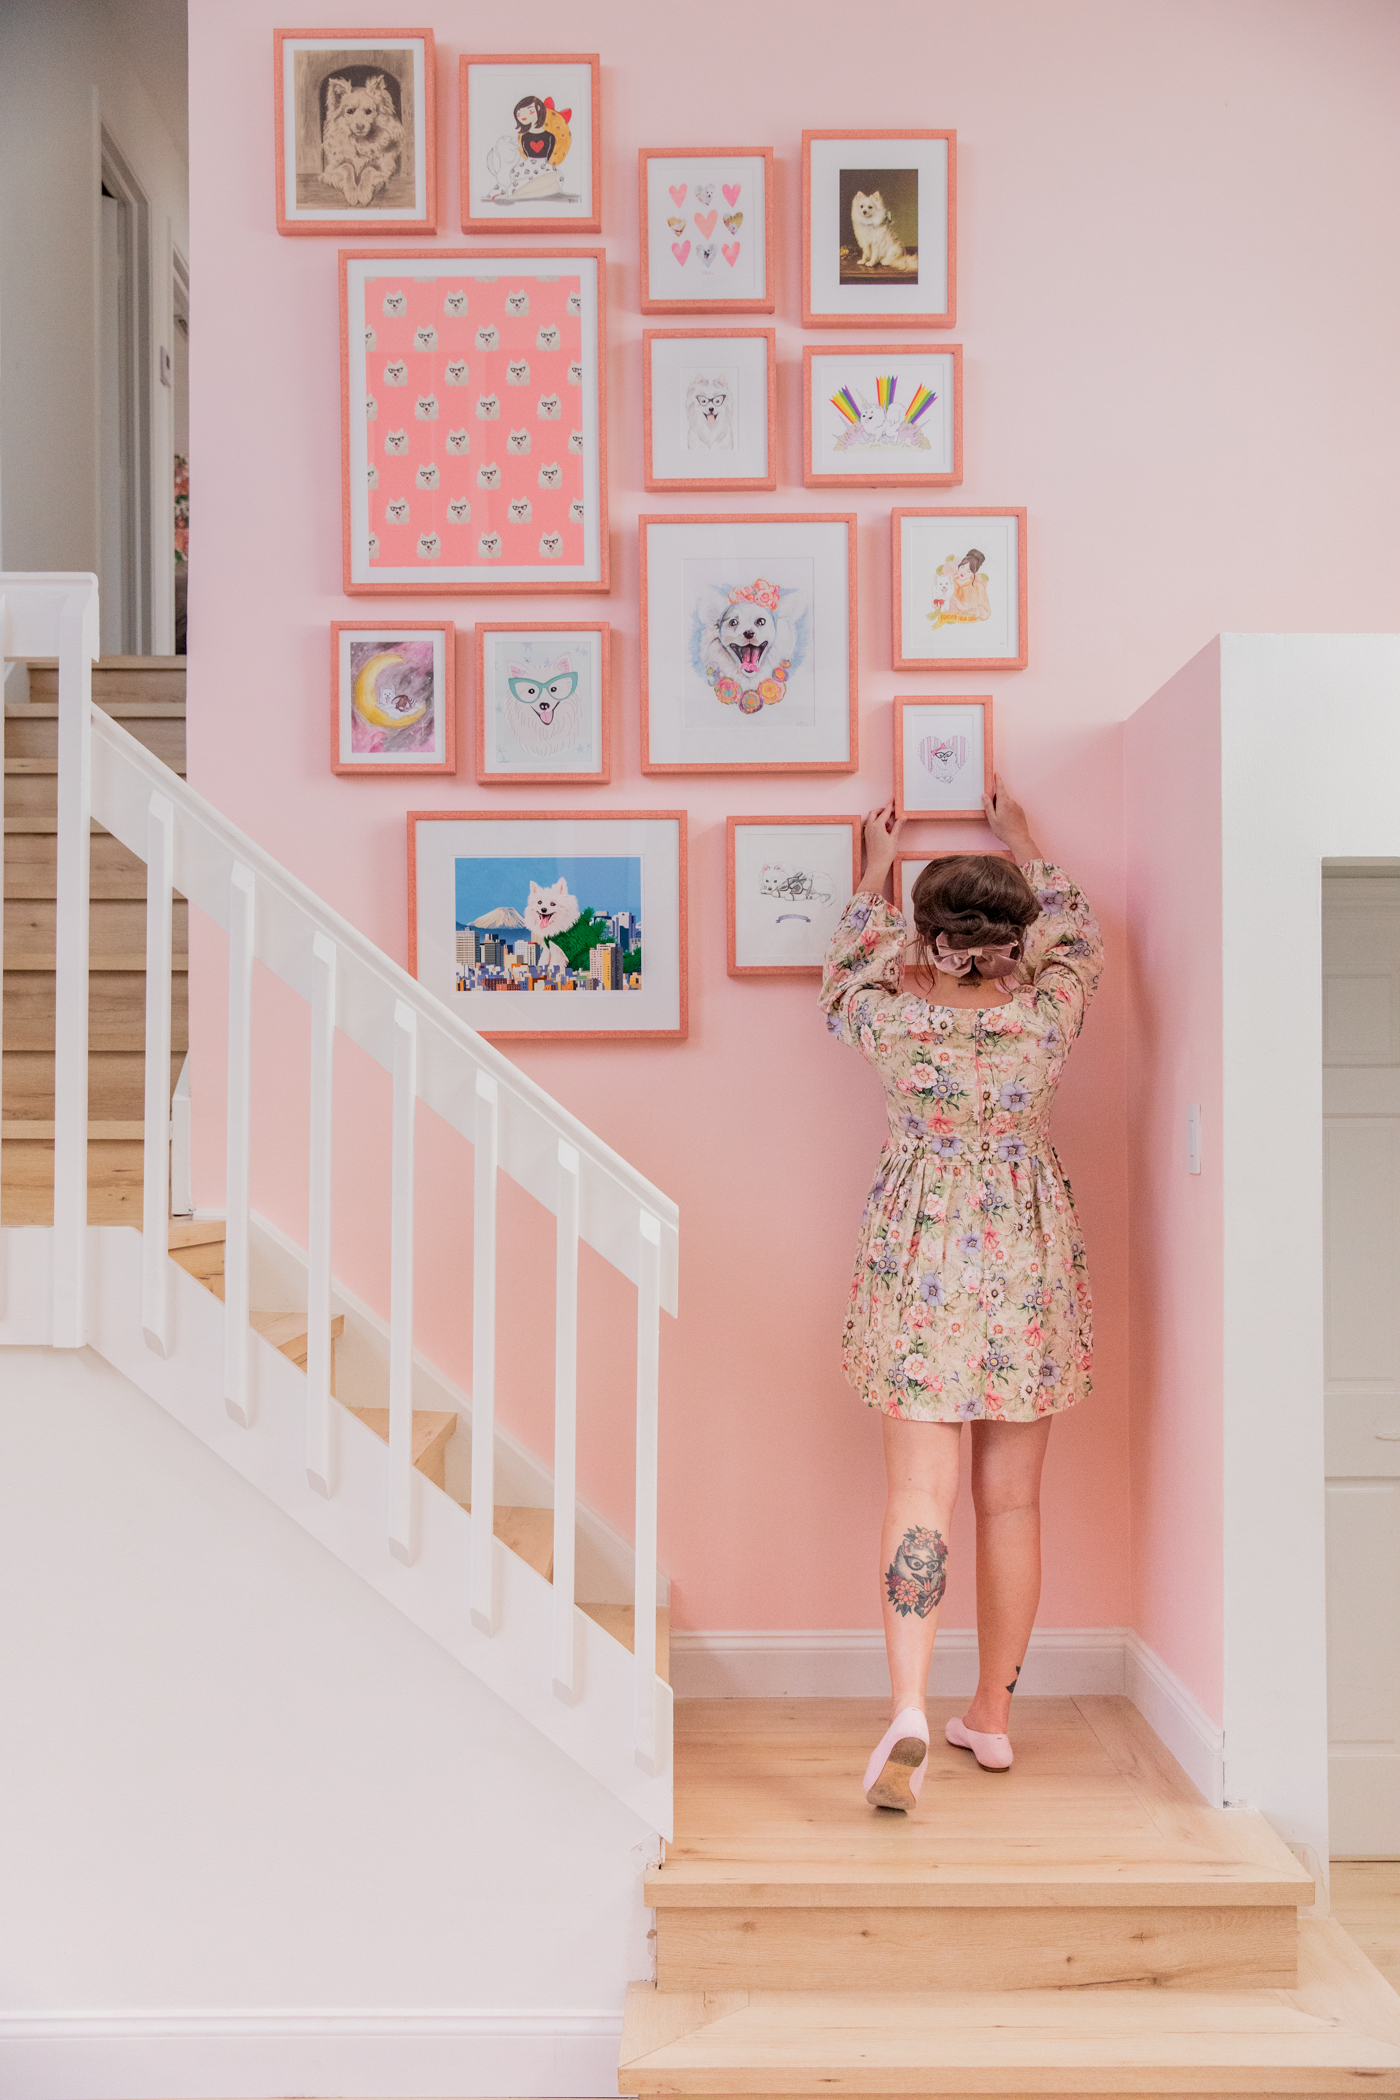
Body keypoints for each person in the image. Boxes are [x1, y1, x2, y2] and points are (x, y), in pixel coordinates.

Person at [819, 779, 1102, 1811]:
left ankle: (904, 1703)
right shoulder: (1043, 1019)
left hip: (917, 1256)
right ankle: (990, 1713)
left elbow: (842, 971)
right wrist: (1026, 839)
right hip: (1024, 1260)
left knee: (915, 1499)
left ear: (924, 936)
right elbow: (1079, 938)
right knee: (1012, 1503)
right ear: (1010, 936)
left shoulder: (891, 1024)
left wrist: (872, 868)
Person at [929, 549, 990, 629]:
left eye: (968, 571)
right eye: (962, 567)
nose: (963, 572)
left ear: (974, 573)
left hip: (971, 627)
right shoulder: (949, 583)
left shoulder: (978, 587)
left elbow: (986, 610)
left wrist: (975, 611)